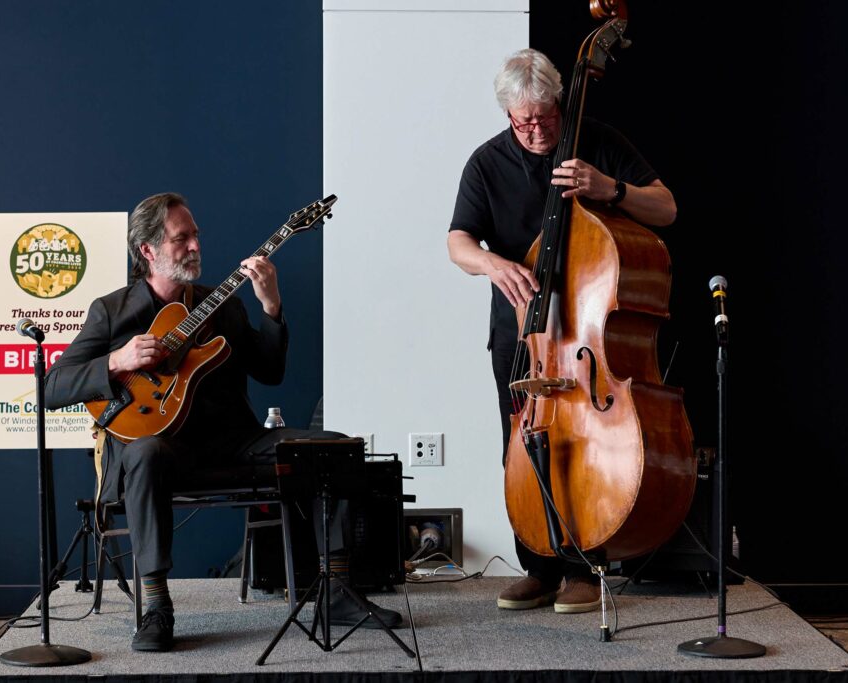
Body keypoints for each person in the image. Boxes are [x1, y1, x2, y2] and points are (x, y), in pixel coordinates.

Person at [45, 193, 400, 652]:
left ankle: (336, 593)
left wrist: (271, 307)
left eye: (196, 235)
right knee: (146, 451)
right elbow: (51, 387)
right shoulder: (111, 311)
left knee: (331, 448)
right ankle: (157, 607)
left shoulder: (221, 303)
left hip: (233, 443)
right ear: (147, 251)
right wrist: (117, 359)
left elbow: (270, 371)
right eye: (181, 238)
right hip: (159, 452)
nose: (195, 245)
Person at [447, 49, 678, 614]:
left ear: (560, 103)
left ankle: (586, 564)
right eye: (522, 121)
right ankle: (540, 565)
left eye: (544, 118)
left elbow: (667, 209)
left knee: (588, 438)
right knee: (527, 442)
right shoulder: (486, 163)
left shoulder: (596, 141)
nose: (535, 130)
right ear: (507, 116)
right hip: (523, 334)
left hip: (589, 332)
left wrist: (610, 189)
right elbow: (458, 242)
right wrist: (493, 264)